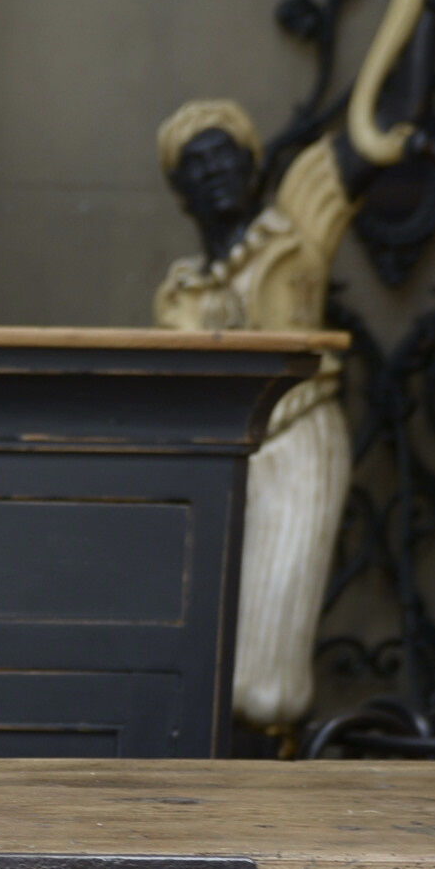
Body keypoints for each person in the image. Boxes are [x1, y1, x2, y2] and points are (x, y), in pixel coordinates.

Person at [153, 98, 358, 734]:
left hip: (297, 438)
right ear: (181, 193)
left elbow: (372, 137)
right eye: (195, 164)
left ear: (253, 166)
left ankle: (271, 770)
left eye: (225, 156)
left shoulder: (296, 233)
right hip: (215, 460)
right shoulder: (182, 290)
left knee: (269, 667)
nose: (213, 172)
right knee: (201, 642)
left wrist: (411, 2)